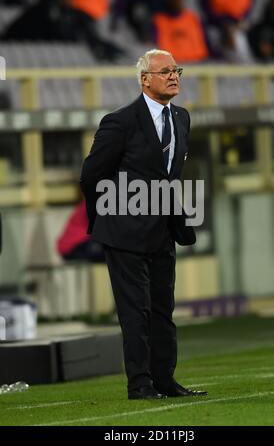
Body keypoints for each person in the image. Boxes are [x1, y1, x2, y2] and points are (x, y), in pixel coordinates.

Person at [80, 49, 208, 400]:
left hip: (162, 229)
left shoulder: (181, 117)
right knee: (136, 311)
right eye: (165, 71)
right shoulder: (120, 121)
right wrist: (108, 216)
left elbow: (169, 175)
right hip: (124, 231)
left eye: (177, 70)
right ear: (144, 80)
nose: (174, 76)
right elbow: (92, 175)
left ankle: (164, 380)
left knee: (163, 309)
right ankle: (139, 384)